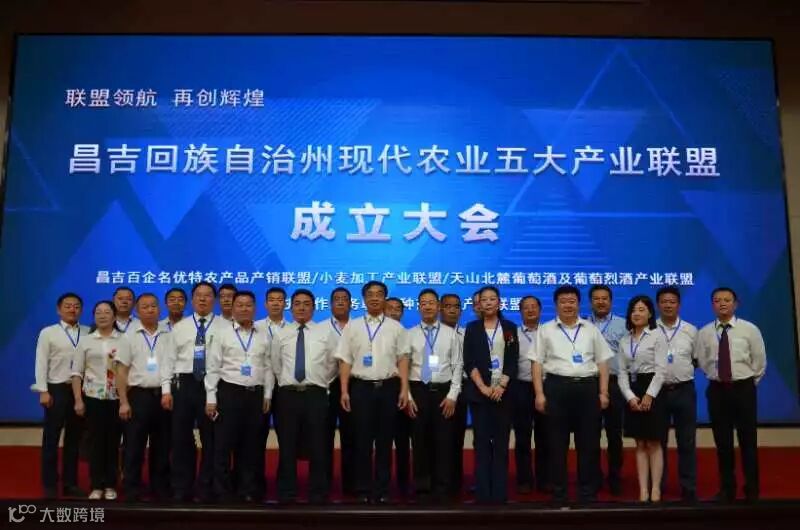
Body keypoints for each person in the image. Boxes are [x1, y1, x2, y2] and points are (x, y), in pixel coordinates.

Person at [532, 285, 612, 504]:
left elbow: (602, 363)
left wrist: (603, 392)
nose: (568, 305)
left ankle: (587, 493)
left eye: (572, 301)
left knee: (589, 444)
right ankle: (559, 494)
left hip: (587, 389)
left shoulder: (591, 329)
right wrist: (539, 394)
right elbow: (537, 363)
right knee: (556, 444)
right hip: (556, 388)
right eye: (563, 301)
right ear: (556, 305)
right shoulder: (545, 330)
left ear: (578, 303)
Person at [335, 281, 410, 504]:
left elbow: (403, 359)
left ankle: (383, 489)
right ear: (364, 299)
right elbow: (345, 360)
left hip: (388, 387)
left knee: (385, 441)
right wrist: (344, 390)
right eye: (370, 294)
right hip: (361, 388)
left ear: (385, 298)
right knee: (362, 440)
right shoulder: (353, 326)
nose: (375, 298)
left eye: (379, 294)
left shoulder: (396, 328)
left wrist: (404, 389)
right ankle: (363, 489)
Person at [695, 287, 766, 503]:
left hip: (743, 389)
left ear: (736, 304)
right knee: (723, 443)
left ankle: (752, 489)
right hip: (717, 390)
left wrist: (747, 383)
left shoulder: (750, 329)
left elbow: (759, 362)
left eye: (727, 300)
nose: (722, 303)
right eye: (717, 300)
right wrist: (717, 377)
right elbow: (702, 361)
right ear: (712, 305)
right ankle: (727, 489)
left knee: (748, 441)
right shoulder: (705, 332)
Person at [205, 291, 273, 502]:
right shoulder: (222, 333)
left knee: (251, 445)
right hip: (229, 392)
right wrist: (211, 398)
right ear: (232, 308)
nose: (244, 308)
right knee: (223, 445)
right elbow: (213, 367)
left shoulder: (263, 334)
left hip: (255, 395)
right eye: (240, 305)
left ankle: (247, 490)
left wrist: (268, 394)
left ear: (255, 308)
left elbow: (268, 366)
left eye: (248, 305)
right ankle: (222, 491)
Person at [273, 289, 338, 504]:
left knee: (318, 444)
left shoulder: (325, 333)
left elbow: (332, 364)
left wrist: (318, 381)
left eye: (306, 304)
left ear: (314, 307)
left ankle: (318, 492)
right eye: (297, 303)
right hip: (288, 395)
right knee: (287, 444)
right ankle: (287, 492)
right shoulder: (281, 333)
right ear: (291, 307)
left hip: (315, 395)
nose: (302, 307)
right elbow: (276, 364)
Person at [162, 281, 221, 503]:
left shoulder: (225, 326)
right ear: (192, 299)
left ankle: (206, 487)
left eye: (208, 295)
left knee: (211, 439)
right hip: (184, 385)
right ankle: (181, 486)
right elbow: (168, 360)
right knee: (181, 438)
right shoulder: (180, 327)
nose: (203, 299)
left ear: (214, 300)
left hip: (212, 385)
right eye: (198, 295)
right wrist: (166, 390)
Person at [463, 285, 518, 504]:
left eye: (492, 299)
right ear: (479, 304)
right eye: (484, 299)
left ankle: (500, 493)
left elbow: (513, 360)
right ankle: (483, 494)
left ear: (499, 302)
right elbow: (469, 362)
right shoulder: (472, 328)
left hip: (504, 394)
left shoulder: (509, 327)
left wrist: (501, 386)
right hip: (480, 395)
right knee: (482, 444)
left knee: (502, 444)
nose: (488, 302)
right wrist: (483, 388)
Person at [406, 288, 462, 502]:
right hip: (418, 392)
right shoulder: (409, 334)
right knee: (419, 441)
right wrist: (408, 397)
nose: (427, 306)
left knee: (444, 441)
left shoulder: (450, 334)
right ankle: (422, 487)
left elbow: (458, 365)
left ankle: (442, 487)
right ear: (418, 307)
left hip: (443, 393)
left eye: (431, 303)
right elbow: (404, 368)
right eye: (423, 303)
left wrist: (453, 395)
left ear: (438, 307)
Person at [116, 293, 173, 501]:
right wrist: (123, 401)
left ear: (159, 309)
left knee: (162, 445)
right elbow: (121, 371)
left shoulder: (168, 334)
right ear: (137, 311)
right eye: (145, 307)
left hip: (163, 396)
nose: (150, 310)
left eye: (153, 306)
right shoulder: (129, 336)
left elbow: (170, 366)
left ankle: (160, 486)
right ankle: (131, 486)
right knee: (134, 444)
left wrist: (167, 392)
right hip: (138, 396)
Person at [72, 300, 130, 500]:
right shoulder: (86, 341)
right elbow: (76, 373)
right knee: (95, 442)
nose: (102, 315)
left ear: (114, 316)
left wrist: (124, 401)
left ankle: (111, 484)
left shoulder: (124, 340)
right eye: (98, 312)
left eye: (106, 312)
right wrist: (78, 400)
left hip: (116, 398)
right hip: (93, 397)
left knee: (113, 442)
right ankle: (96, 485)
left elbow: (125, 371)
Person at [33, 292, 88, 498]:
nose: (72, 309)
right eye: (68, 305)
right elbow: (41, 362)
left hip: (80, 390)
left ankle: (70, 483)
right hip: (56, 388)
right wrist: (43, 390)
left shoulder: (88, 331)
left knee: (74, 439)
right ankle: (49, 484)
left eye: (76, 306)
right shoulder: (48, 332)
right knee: (51, 438)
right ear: (58, 309)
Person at [617, 295, 668, 503]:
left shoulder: (657, 336)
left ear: (650, 314)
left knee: (654, 442)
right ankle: (643, 490)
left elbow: (661, 370)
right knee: (639, 443)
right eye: (634, 310)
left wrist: (649, 395)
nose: (637, 313)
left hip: (653, 389)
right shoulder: (624, 340)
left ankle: (655, 489)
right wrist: (630, 397)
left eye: (641, 309)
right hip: (633, 388)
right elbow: (621, 373)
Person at [656, 286, 699, 502]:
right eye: (664, 301)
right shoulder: (650, 329)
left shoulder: (691, 330)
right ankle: (658, 485)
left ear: (679, 305)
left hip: (684, 390)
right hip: (657, 392)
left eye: (672, 301)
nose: (668, 305)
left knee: (687, 441)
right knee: (658, 441)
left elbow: (697, 359)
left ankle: (688, 486)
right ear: (658, 305)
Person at [588, 284, 627, 495]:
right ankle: (593, 477)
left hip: (614, 383)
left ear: (611, 301)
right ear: (590, 302)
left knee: (614, 433)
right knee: (590, 433)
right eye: (596, 298)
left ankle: (615, 476)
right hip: (589, 384)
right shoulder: (583, 325)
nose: (601, 302)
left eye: (604, 298)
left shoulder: (623, 325)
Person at [253, 286, 289, 499]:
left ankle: (284, 483)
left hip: (285, 389)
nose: (276, 303)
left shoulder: (293, 328)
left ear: (285, 303)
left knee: (286, 437)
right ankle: (256, 483)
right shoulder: (255, 327)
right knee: (257, 436)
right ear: (266, 304)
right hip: (260, 389)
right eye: (272, 300)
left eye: (280, 300)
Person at [509, 295, 543, 494]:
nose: (530, 310)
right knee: (522, 436)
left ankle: (545, 478)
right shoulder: (512, 334)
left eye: (534, 307)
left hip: (544, 388)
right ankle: (524, 479)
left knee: (545, 435)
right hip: (520, 387)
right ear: (520, 311)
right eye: (526, 307)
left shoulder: (548, 332)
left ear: (540, 310)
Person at [325, 287, 356, 496]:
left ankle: (351, 484)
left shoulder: (359, 327)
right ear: (330, 304)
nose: (341, 302)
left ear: (351, 304)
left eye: (344, 299)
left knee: (351, 435)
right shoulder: (320, 329)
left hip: (353, 386)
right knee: (324, 435)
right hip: (327, 385)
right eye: (336, 299)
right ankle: (324, 482)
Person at [440, 293, 468, 496]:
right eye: (447, 306)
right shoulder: (431, 333)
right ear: (440, 309)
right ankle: (437, 480)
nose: (452, 310)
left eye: (456, 306)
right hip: (440, 389)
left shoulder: (468, 334)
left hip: (463, 389)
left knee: (457, 437)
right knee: (438, 438)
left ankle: (455, 483)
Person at [384, 295, 411, 496]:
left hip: (405, 392)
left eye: (397, 309)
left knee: (403, 441)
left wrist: (407, 393)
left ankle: (403, 482)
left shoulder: (407, 334)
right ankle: (382, 482)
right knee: (382, 440)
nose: (393, 312)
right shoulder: (375, 335)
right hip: (383, 390)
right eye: (389, 308)